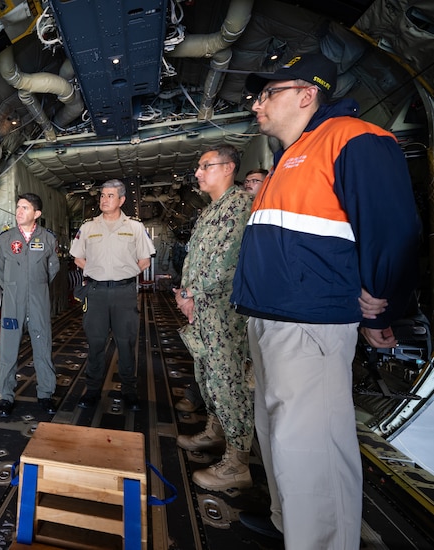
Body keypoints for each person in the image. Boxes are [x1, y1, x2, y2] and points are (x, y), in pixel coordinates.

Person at [231, 53, 420, 549]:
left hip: (309, 323)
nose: (257, 104)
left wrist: (382, 301)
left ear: (306, 93)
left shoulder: (354, 139)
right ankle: (286, 524)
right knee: (276, 435)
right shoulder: (289, 159)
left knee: (310, 446)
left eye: (267, 92)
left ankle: (321, 540)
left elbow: (394, 228)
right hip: (272, 319)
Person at [174, 145, 254, 491]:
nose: (198, 173)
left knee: (227, 380)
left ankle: (237, 461)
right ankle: (216, 430)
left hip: (222, 312)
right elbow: (195, 258)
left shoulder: (238, 206)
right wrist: (184, 292)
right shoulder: (211, 211)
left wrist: (190, 293)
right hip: (203, 310)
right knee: (207, 375)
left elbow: (225, 265)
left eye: (205, 166)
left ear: (228, 168)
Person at [69, 179, 156, 410]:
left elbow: (145, 260)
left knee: (126, 344)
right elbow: (77, 257)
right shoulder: (88, 227)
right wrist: (97, 272)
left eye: (110, 196)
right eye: (102, 195)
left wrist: (124, 274)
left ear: (122, 200)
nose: (104, 199)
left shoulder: (135, 227)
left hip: (124, 293)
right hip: (96, 292)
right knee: (95, 343)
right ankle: (93, 390)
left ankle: (129, 391)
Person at [0, 193, 60, 417]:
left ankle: (45, 394)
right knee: (9, 349)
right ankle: (6, 396)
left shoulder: (49, 240)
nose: (19, 211)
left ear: (37, 214)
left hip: (38, 302)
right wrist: (14, 287)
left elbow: (52, 269)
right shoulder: (4, 240)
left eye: (25, 208)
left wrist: (36, 287)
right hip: (13, 303)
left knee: (43, 347)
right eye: (18, 207)